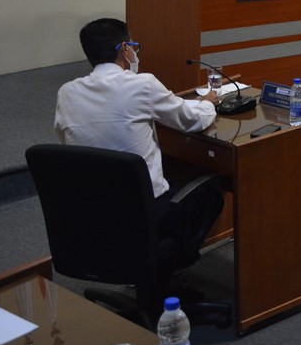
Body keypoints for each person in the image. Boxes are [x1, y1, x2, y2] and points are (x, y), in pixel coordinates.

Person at [54, 18, 222, 230]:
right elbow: (192, 120)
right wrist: (207, 103)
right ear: (125, 49)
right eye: (134, 47)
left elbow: (65, 143)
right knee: (211, 196)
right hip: (145, 211)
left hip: (92, 211)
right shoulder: (142, 84)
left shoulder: (67, 92)